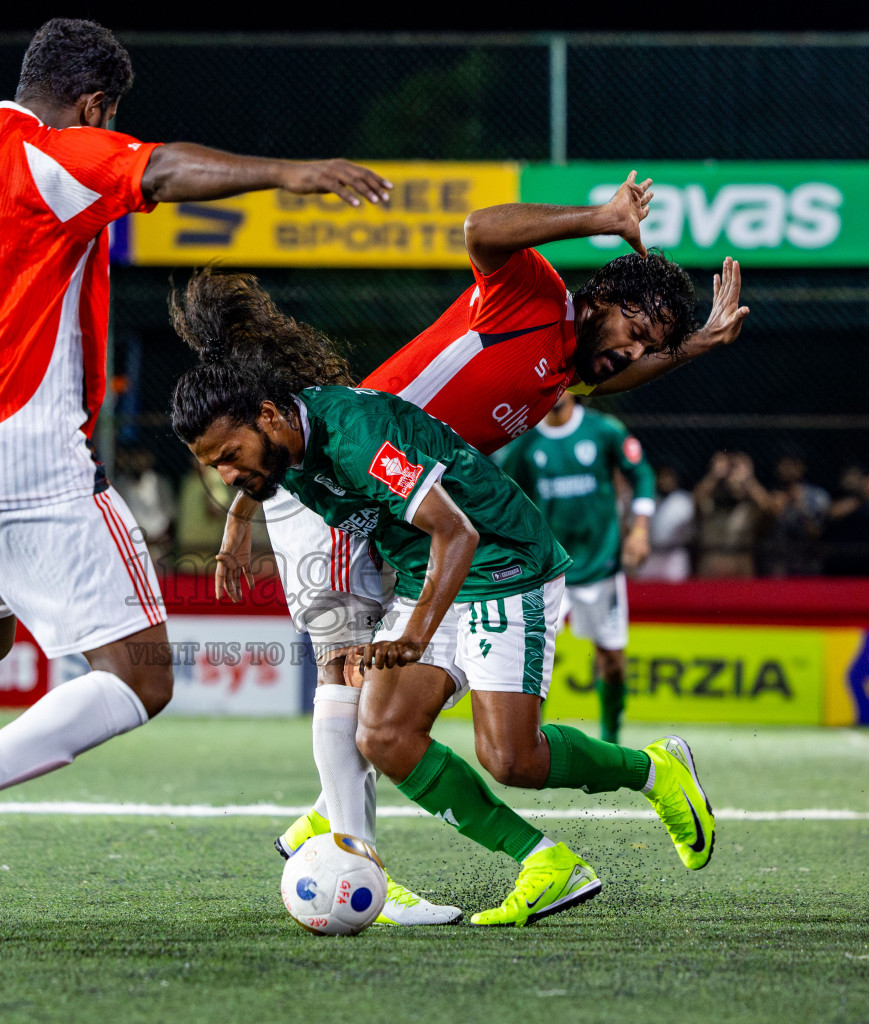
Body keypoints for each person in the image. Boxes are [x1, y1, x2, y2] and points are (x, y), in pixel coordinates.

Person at [0, 18, 392, 916]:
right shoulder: (52, 157)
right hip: (21, 448)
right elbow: (165, 169)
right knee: (141, 674)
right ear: (94, 104)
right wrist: (294, 174)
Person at [191, 176, 749, 922]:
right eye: (635, 327)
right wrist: (599, 218)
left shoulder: (560, 365)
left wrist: (694, 349)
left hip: (440, 531)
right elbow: (480, 227)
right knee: (361, 692)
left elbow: (596, 382)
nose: (636, 349)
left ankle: (341, 827)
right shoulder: (536, 298)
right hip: (365, 493)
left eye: (649, 345)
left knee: (438, 722)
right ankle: (352, 835)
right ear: (599, 299)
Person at [173, 367, 718, 927]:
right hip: (426, 577)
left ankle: (653, 769)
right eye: (216, 465)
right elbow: (262, 477)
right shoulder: (280, 447)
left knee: (511, 758)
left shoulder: (359, 437)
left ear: (267, 416)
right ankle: (547, 861)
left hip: (502, 566)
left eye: (230, 456)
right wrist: (237, 521)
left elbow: (458, 532)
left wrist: (414, 637)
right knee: (383, 731)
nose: (229, 473)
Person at [496, 392, 655, 743]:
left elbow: (642, 473)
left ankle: (611, 740)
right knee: (534, 658)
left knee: (612, 660)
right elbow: (502, 496)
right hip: (547, 568)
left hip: (601, 564)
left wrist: (640, 528)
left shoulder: (603, 430)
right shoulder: (525, 441)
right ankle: (527, 741)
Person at [693, 452, 770, 578]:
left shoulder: (749, 506)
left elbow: (767, 507)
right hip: (712, 558)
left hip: (741, 558)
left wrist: (747, 477)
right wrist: (714, 475)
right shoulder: (710, 502)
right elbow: (696, 498)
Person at [761, 453, 829, 577]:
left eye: (792, 464)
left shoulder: (817, 496)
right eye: (783, 464)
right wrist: (772, 512)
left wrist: (801, 508)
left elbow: (816, 534)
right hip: (778, 566)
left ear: (801, 467)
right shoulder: (772, 495)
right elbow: (763, 533)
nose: (787, 469)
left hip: (807, 565)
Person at [635, 464, 695, 581]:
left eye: (669, 477)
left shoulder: (683, 499)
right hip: (651, 554)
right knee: (645, 593)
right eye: (662, 477)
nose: (665, 481)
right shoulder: (648, 499)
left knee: (677, 595)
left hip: (674, 554)